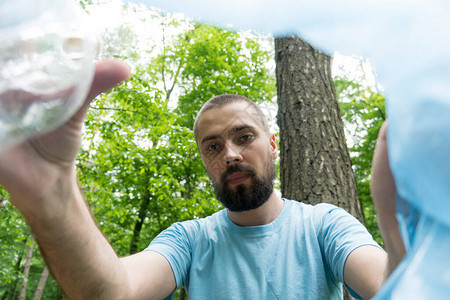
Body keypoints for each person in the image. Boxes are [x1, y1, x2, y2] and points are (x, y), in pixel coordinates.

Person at [0, 59, 400, 299]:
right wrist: (52, 196)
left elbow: (389, 288)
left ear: (273, 143)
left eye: (244, 137)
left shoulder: (324, 226)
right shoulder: (190, 241)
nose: (229, 154)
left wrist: (405, 226)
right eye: (212, 147)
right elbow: (112, 291)